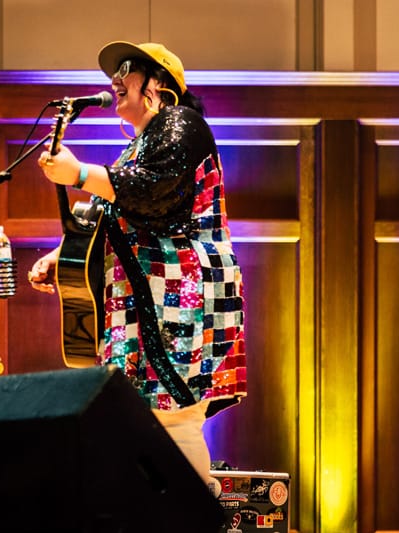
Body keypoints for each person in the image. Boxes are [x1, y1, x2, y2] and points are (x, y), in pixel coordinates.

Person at [29, 41, 246, 491]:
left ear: (159, 85)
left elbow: (151, 191)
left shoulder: (182, 124)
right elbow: (114, 213)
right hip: (147, 299)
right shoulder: (139, 146)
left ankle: (191, 516)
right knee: (139, 420)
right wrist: (63, 254)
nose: (114, 79)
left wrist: (79, 174)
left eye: (126, 68)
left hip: (180, 295)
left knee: (175, 417)